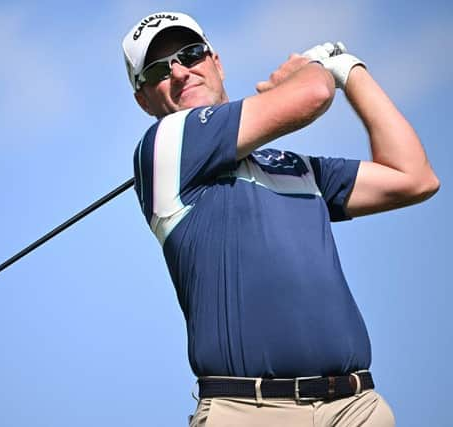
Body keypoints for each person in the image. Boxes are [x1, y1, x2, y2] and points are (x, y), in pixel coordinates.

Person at [122, 11, 439, 427]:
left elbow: (414, 177)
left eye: (192, 54)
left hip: (355, 405)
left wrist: (349, 69)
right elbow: (310, 96)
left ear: (216, 62)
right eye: (160, 69)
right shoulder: (166, 143)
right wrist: (312, 68)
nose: (181, 72)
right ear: (143, 99)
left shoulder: (291, 166)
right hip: (247, 411)